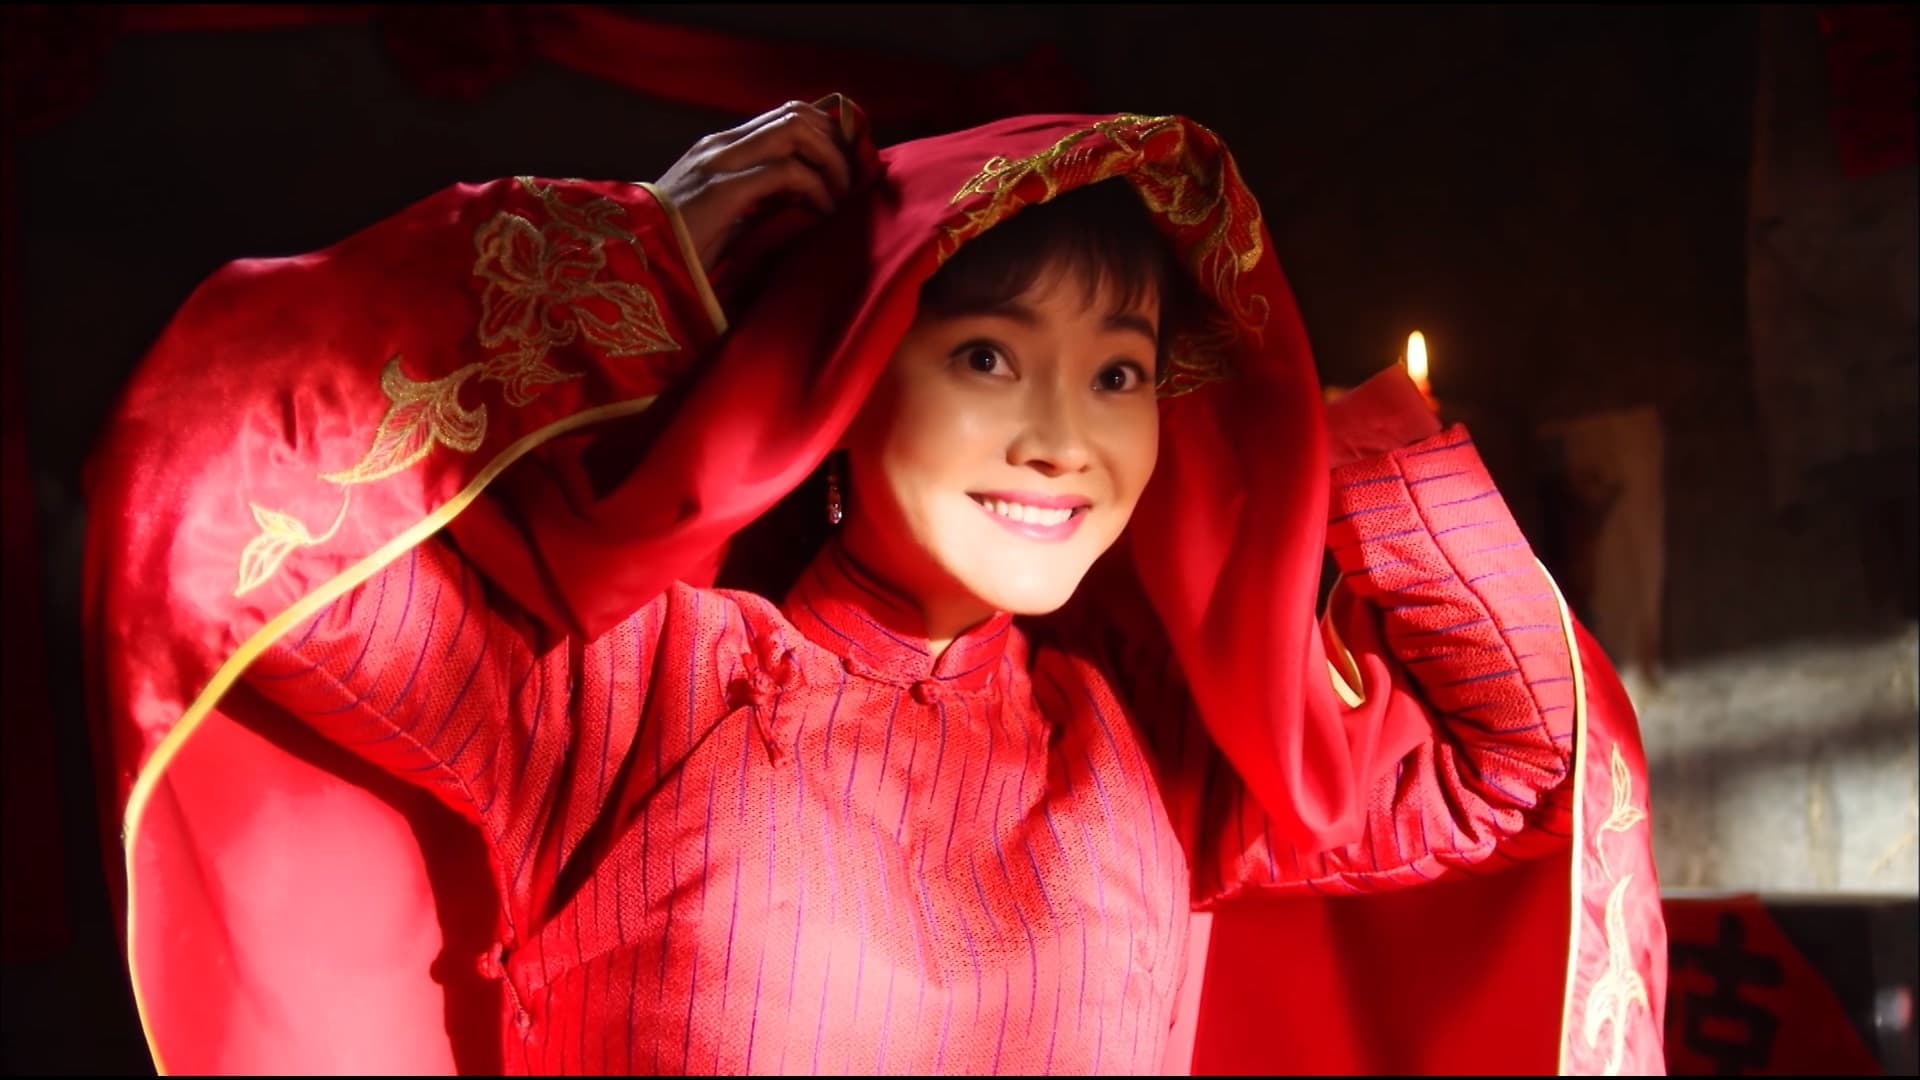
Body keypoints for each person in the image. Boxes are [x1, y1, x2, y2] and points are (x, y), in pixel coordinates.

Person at [83, 96, 1667, 1075]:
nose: (1062, 440)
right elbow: (215, 517)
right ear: (839, 377)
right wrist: (636, 253)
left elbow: (1528, 767)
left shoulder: (1161, 742)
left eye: (1120, 375)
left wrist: (1350, 454)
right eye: (987, 358)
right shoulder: (624, 686)